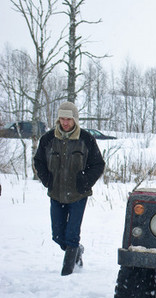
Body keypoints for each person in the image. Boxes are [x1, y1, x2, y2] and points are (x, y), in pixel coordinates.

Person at [33, 102, 106, 276]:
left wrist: (85, 181)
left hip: (78, 195)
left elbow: (98, 164)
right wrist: (47, 180)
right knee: (58, 236)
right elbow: (39, 162)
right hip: (56, 193)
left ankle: (67, 274)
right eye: (62, 118)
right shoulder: (48, 139)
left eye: (69, 119)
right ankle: (77, 251)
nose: (65, 123)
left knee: (72, 235)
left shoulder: (86, 139)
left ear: (75, 119)